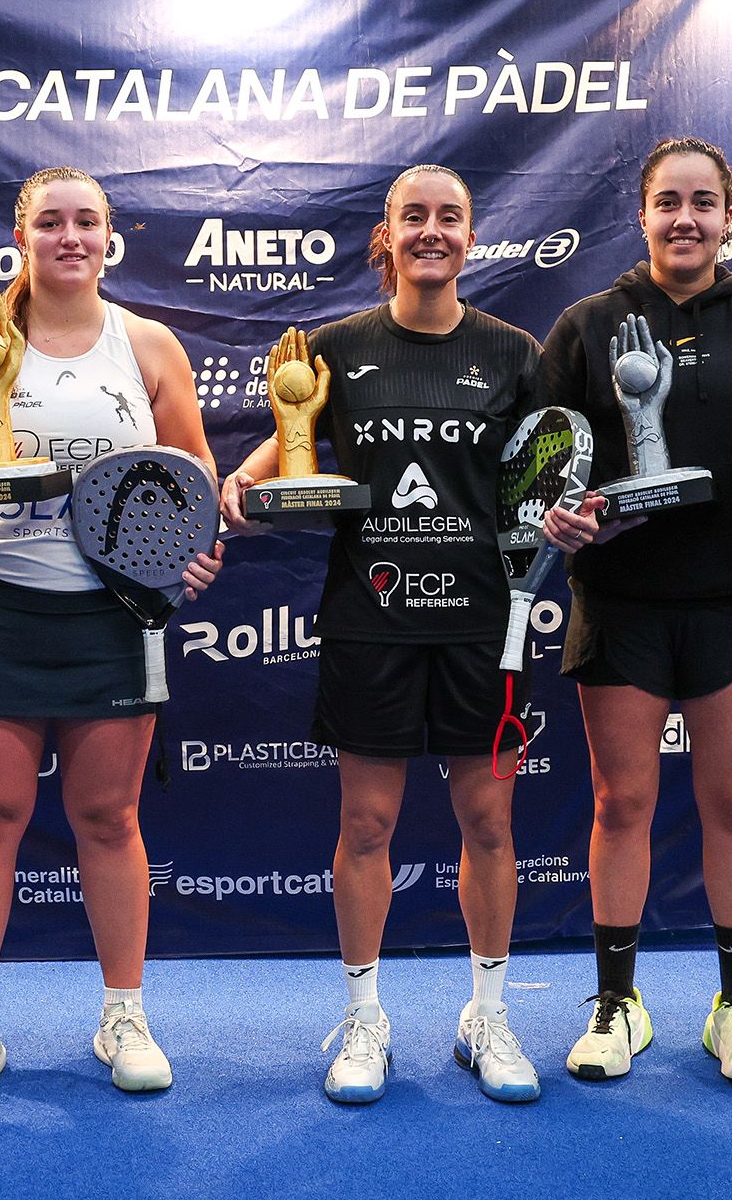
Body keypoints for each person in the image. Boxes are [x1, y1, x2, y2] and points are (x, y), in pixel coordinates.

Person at [221, 165, 543, 1105]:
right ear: (387, 237)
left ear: (472, 238)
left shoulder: (515, 352)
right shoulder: (334, 348)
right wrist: (242, 486)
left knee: (487, 822)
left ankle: (488, 1014)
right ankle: (365, 1018)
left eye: (451, 216)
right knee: (366, 826)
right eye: (415, 217)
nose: (433, 231)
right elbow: (287, 446)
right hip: (373, 623)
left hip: (488, 626)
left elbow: (548, 473)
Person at [0, 166, 222, 1107]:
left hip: (115, 610)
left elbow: (194, 468)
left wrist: (186, 548)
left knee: (109, 819)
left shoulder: (150, 345)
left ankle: (122, 1013)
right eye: (52, 222)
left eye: (87, 221)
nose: (70, 237)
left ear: (109, 237)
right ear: (22, 234)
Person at [540, 136, 732, 1090]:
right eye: (669, 202)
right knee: (622, 803)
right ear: (643, 213)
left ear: (731, 211)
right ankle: (617, 1003)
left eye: (704, 202)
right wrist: (558, 514)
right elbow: (543, 459)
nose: (686, 219)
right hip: (619, 603)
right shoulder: (586, 325)